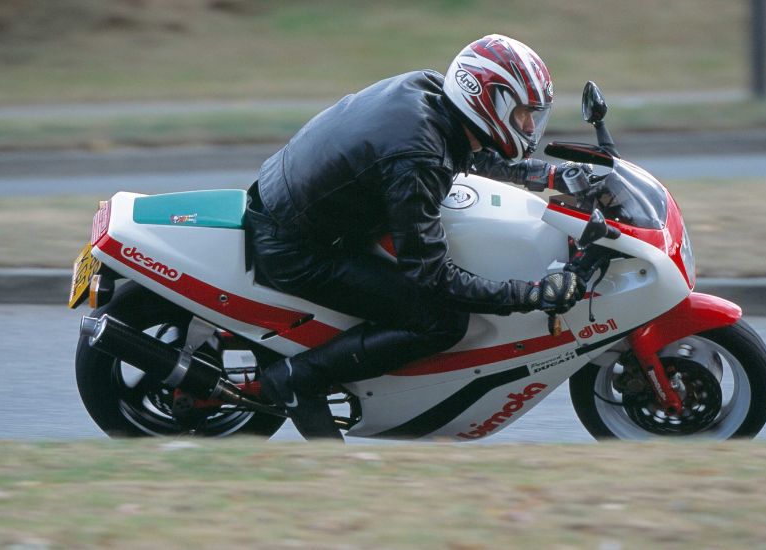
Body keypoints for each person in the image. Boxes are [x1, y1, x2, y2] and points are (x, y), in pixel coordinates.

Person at [247, 34, 585, 440]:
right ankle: (297, 378)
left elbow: (465, 150)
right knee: (440, 320)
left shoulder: (428, 91)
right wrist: (528, 295)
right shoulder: (418, 160)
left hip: (297, 210)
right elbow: (431, 276)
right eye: (523, 113)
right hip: (296, 249)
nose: (530, 126)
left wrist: (546, 175)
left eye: (534, 115)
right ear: (485, 101)